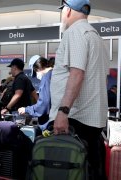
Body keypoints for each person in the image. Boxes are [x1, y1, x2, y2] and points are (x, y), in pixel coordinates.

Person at [49, 0, 109, 179]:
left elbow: (76, 74)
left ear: (67, 10)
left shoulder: (74, 32)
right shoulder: (97, 38)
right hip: (93, 120)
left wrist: (62, 111)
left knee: (70, 172)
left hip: (75, 119)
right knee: (90, 171)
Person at [18, 55, 52, 126]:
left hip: (50, 122)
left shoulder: (46, 78)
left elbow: (44, 105)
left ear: (38, 67)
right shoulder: (54, 74)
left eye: (35, 71)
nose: (37, 75)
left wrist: (26, 110)